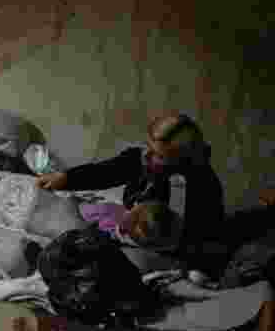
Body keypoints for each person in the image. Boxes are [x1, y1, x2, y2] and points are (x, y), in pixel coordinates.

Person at [35, 112, 224, 271]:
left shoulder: (200, 191)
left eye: (158, 155)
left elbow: (201, 243)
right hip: (128, 228)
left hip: (160, 250)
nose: (147, 155)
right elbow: (107, 172)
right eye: (148, 146)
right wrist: (66, 178)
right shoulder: (143, 159)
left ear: (182, 161)